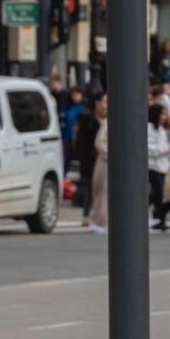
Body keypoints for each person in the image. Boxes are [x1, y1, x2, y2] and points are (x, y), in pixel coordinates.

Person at [73, 92, 106, 225]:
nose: (106, 105)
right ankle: (87, 214)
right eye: (104, 101)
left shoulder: (110, 119)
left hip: (103, 158)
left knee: (101, 188)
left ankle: (98, 214)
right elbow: (80, 140)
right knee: (89, 186)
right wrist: (79, 157)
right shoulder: (88, 119)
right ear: (96, 102)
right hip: (89, 157)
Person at [147, 104, 170, 231]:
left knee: (158, 194)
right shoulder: (148, 128)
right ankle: (160, 219)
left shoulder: (161, 129)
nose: (164, 117)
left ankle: (153, 214)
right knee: (158, 194)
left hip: (163, 165)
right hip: (153, 165)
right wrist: (166, 150)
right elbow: (150, 149)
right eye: (162, 114)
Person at [89, 105, 109, 234]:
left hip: (109, 160)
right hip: (105, 162)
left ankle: (103, 221)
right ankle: (100, 221)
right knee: (103, 192)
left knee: (106, 193)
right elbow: (99, 142)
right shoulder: (108, 122)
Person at [61, 87, 85, 169]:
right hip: (66, 136)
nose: (75, 97)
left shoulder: (83, 108)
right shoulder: (68, 107)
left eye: (77, 94)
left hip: (77, 137)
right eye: (73, 94)